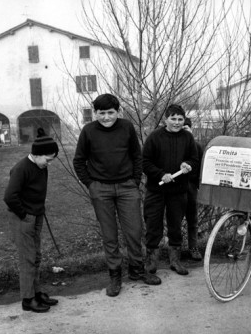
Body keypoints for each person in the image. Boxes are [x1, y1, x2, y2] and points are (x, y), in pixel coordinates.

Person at [73, 93, 161, 297]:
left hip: (127, 188)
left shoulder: (126, 127)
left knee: (134, 231)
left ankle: (137, 271)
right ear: (95, 113)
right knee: (109, 235)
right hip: (100, 189)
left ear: (118, 111)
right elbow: (79, 161)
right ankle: (115, 276)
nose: (105, 117)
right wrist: (91, 185)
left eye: (110, 113)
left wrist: (135, 180)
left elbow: (136, 156)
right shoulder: (88, 131)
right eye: (101, 113)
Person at [3, 128, 60, 313]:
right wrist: (25, 214)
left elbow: (36, 191)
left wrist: (37, 210)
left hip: (36, 216)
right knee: (27, 258)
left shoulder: (40, 166)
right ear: (36, 155)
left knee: (36, 256)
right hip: (23, 218)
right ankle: (27, 300)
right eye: (48, 159)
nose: (49, 163)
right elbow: (10, 196)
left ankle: (36, 293)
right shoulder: (21, 169)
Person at [143, 104, 199, 275]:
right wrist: (161, 175)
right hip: (156, 190)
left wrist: (187, 165)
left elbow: (194, 160)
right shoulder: (154, 137)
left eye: (180, 119)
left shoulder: (187, 138)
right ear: (165, 119)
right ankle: (151, 262)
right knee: (153, 225)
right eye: (173, 119)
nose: (176, 122)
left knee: (175, 226)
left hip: (179, 191)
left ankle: (175, 261)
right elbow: (145, 162)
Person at [183, 117, 204, 261]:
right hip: (175, 188)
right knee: (174, 220)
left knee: (193, 219)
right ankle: (175, 249)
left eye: (186, 128)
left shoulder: (197, 146)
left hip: (191, 187)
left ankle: (193, 247)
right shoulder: (173, 145)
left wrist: (198, 186)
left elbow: (202, 168)